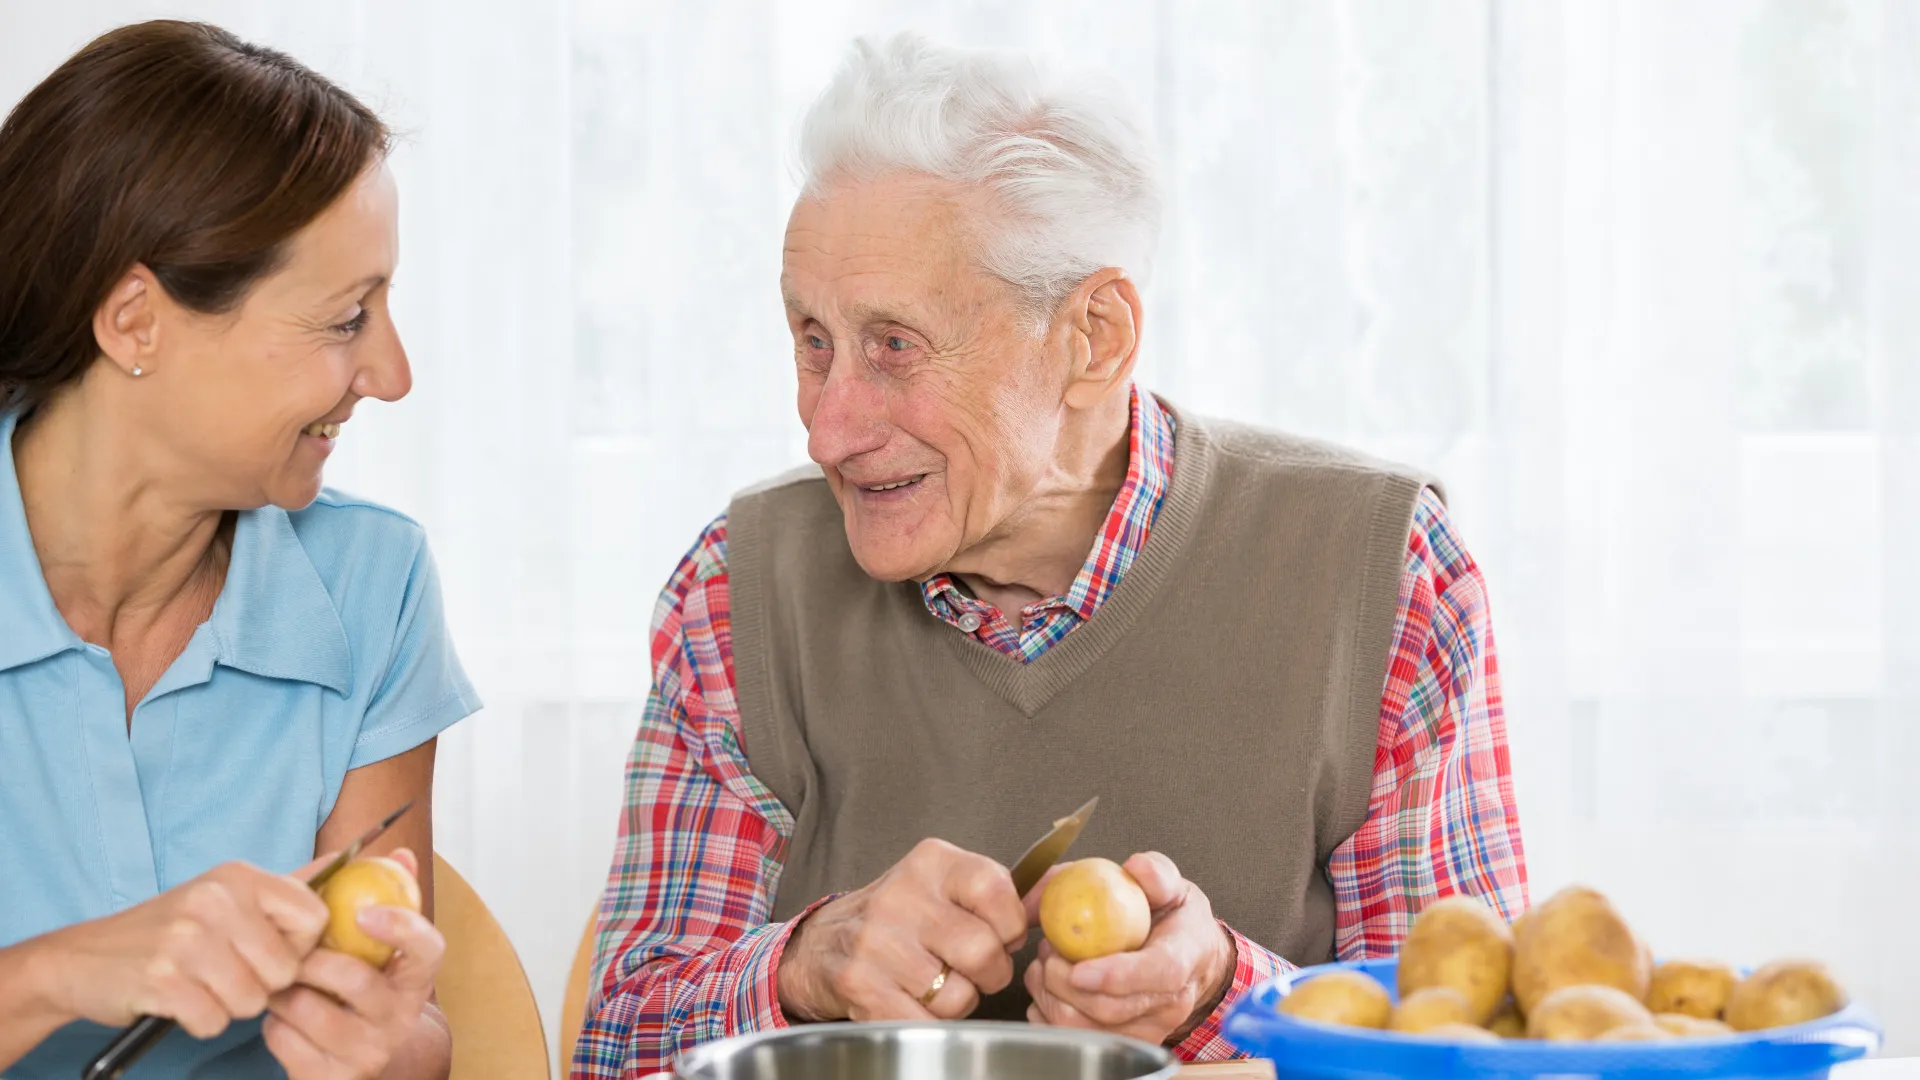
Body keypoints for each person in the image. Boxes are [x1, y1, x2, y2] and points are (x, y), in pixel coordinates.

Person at [574, 34, 1526, 1077]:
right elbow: (615, 1046)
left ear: (1095, 336)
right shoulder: (735, 591)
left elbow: (1466, 1051)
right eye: (812, 341)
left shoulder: (1384, 575)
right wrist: (802, 968)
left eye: (894, 345)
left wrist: (1221, 996)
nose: (828, 430)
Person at [0, 22, 479, 1080]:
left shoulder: (373, 585)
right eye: (346, 318)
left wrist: (386, 1047)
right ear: (136, 322)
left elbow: (414, 1028)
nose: (391, 374)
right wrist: (51, 976)